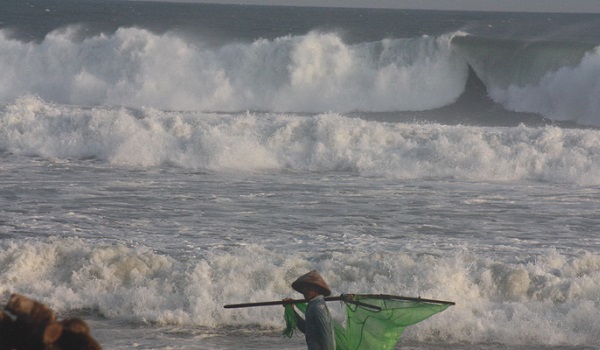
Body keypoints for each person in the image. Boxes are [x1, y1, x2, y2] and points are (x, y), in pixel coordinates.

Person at [285, 270, 336, 350]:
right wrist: (292, 310)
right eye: (304, 289)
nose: (305, 291)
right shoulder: (312, 305)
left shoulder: (318, 307)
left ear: (316, 289)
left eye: (308, 288)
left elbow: (327, 335)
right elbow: (306, 328)